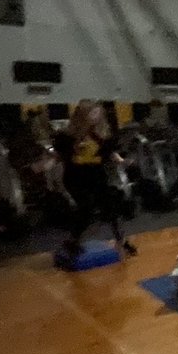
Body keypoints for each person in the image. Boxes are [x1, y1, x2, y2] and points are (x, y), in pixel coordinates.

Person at [53, 100, 136, 257]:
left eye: (98, 113)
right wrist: (46, 166)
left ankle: (121, 241)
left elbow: (110, 152)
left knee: (111, 205)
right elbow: (58, 155)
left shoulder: (101, 134)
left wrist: (122, 161)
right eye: (93, 113)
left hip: (96, 175)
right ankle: (72, 242)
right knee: (86, 208)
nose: (96, 117)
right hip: (75, 177)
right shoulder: (68, 135)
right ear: (83, 115)